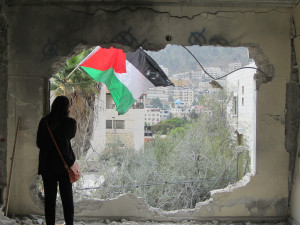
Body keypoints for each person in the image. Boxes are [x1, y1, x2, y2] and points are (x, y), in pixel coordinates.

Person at [36, 96, 77, 225]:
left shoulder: (44, 122)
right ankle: (69, 223)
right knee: (67, 198)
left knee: (49, 200)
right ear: (66, 108)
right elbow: (70, 136)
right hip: (64, 166)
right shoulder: (70, 122)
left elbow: (39, 143)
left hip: (47, 166)